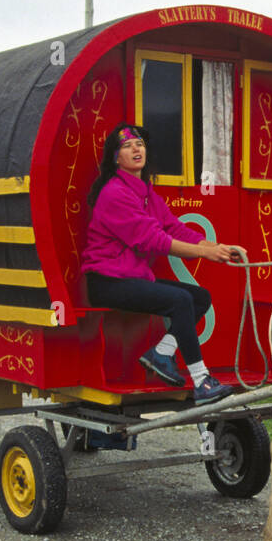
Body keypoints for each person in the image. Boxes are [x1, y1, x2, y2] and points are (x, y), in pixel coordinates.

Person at [81, 123, 242, 404]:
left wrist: (219, 248)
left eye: (140, 143)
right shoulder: (115, 193)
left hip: (133, 278)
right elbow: (153, 240)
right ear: (115, 158)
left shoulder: (146, 194)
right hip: (107, 281)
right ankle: (202, 380)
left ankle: (162, 353)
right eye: (127, 145)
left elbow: (174, 229)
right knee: (180, 300)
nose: (136, 148)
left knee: (200, 297)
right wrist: (204, 253)